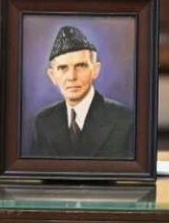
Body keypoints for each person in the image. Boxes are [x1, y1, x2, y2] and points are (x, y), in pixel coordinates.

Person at [29, 25, 135, 159]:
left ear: (96, 70)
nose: (72, 77)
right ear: (52, 76)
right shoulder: (43, 122)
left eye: (81, 66)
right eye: (63, 68)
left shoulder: (124, 120)